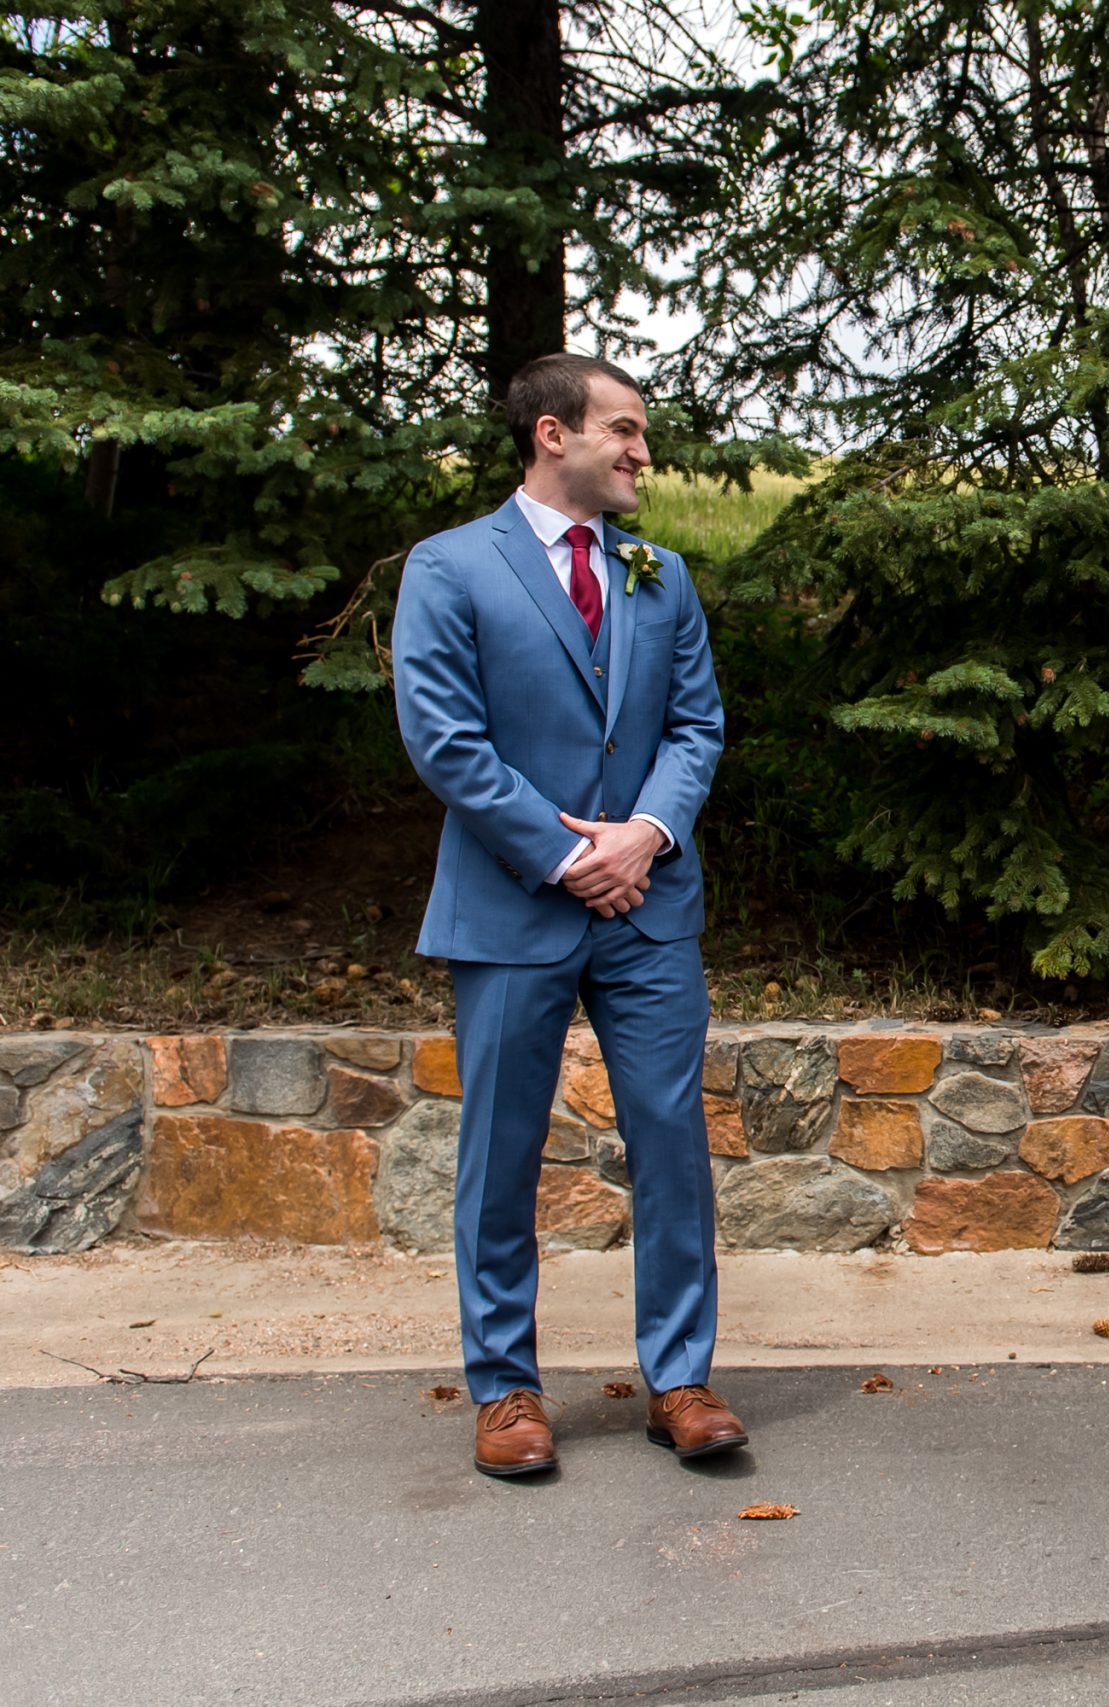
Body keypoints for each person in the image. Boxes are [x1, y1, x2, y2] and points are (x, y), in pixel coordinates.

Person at [393, 353, 745, 1478]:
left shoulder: (661, 574)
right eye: (625, 432)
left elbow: (697, 728)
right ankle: (504, 1391)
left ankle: (679, 1379)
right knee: (499, 1153)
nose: (644, 452)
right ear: (554, 435)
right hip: (509, 906)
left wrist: (644, 835)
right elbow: (446, 740)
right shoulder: (450, 568)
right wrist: (564, 856)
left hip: (649, 908)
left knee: (673, 1148)